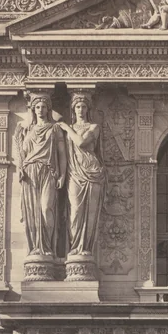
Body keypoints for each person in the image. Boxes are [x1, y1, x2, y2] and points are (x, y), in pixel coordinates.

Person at [14, 91, 66, 259]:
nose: (41, 109)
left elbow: (62, 154)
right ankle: (36, 248)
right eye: (37, 107)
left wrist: (63, 174)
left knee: (45, 209)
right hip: (30, 173)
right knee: (32, 212)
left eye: (44, 107)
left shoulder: (55, 128)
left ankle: (47, 248)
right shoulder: (27, 129)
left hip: (48, 171)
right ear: (33, 109)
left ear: (48, 108)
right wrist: (21, 167)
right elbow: (22, 152)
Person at [58, 92, 106, 259]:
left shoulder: (94, 127)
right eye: (77, 106)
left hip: (91, 171)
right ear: (73, 109)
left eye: (83, 106)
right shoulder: (68, 130)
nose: (80, 109)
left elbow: (81, 142)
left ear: (88, 109)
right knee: (75, 212)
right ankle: (75, 249)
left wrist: (66, 127)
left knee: (90, 214)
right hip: (74, 173)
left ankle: (85, 249)